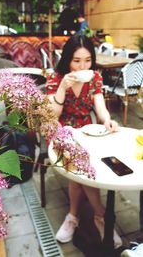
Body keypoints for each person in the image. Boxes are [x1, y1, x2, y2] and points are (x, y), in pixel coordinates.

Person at [45, 33, 122, 248]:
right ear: (68, 59)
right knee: (82, 168)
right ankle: (101, 217)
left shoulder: (95, 78)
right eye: (76, 60)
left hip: (85, 129)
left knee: (80, 171)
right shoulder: (55, 77)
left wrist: (107, 120)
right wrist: (62, 87)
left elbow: (100, 107)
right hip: (60, 130)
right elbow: (51, 115)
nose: (82, 66)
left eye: (87, 60)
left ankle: (73, 216)